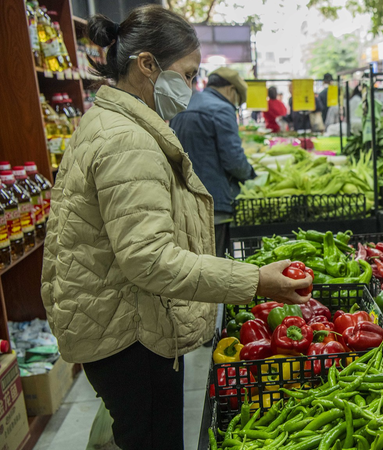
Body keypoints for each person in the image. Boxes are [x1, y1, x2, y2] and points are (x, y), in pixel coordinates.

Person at [39, 6, 312, 450]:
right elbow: (149, 260)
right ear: (147, 65)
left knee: (134, 432)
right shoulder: (127, 140)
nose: (191, 87)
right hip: (130, 332)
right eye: (187, 74)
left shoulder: (109, 121)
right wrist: (255, 281)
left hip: (114, 317)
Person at [170, 67, 256, 257]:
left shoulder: (185, 104)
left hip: (184, 199)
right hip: (213, 202)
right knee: (216, 264)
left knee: (195, 262)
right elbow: (234, 160)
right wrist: (250, 173)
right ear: (231, 90)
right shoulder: (221, 108)